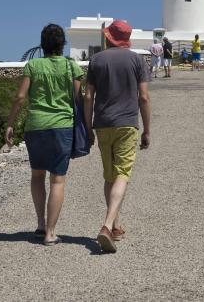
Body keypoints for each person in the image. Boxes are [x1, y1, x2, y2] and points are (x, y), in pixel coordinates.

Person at [4, 24, 85, 246]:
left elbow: (20, 97)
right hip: (62, 126)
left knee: (37, 175)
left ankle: (40, 225)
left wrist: (10, 124)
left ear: (42, 44)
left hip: (36, 126)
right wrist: (87, 127)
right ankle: (50, 233)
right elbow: (79, 99)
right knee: (57, 180)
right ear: (62, 44)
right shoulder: (71, 66)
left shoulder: (33, 65)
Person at [84, 19, 150, 253]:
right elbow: (144, 97)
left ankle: (115, 226)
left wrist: (88, 127)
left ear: (109, 37)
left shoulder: (96, 60)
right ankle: (107, 225)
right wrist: (147, 130)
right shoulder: (137, 60)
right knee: (122, 174)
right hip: (127, 124)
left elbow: (88, 96)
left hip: (102, 124)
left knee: (109, 176)